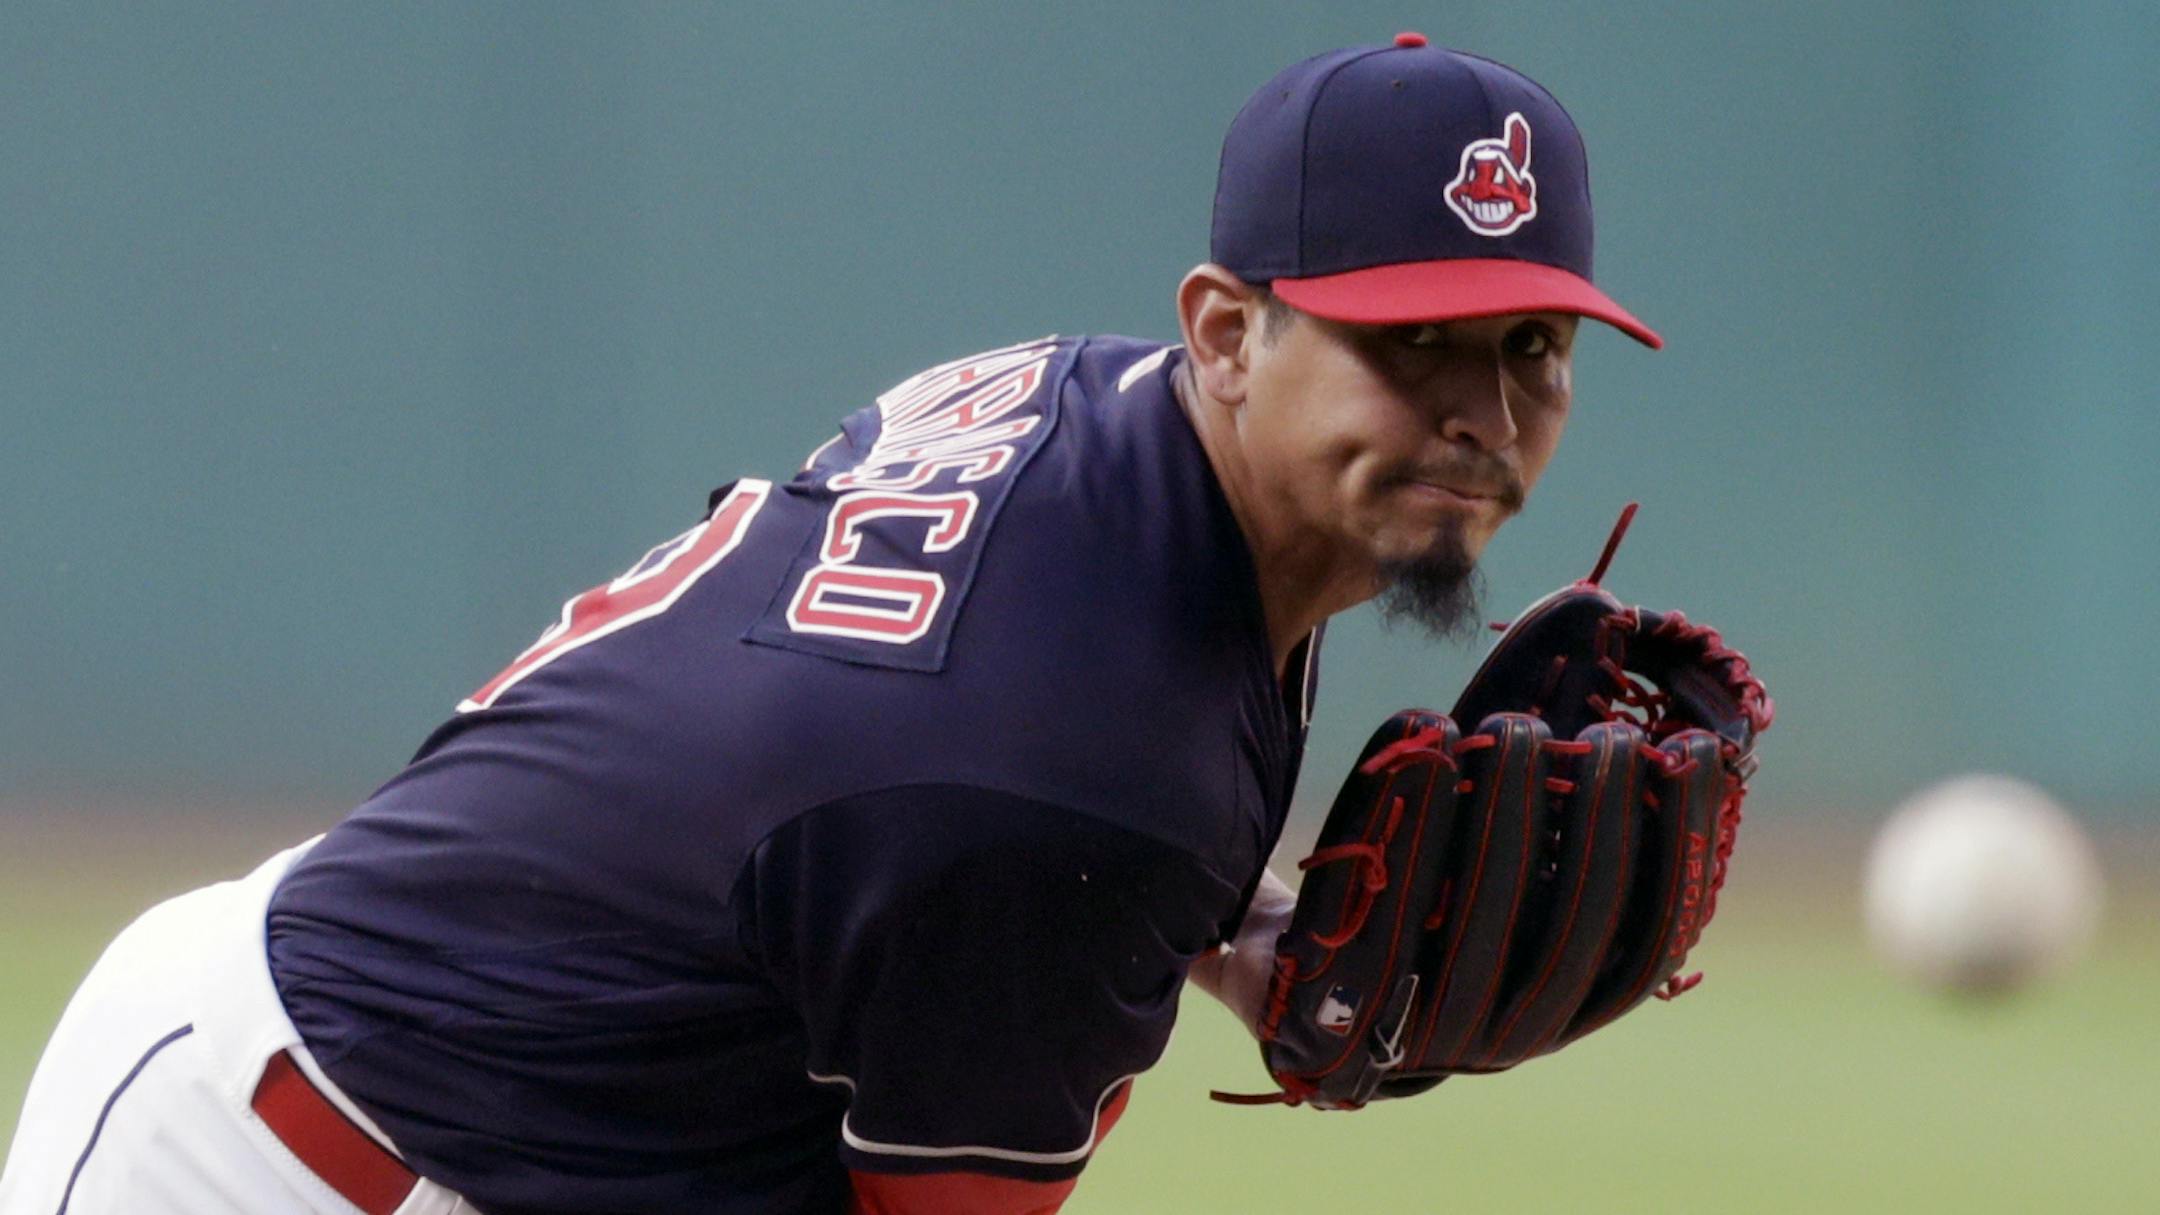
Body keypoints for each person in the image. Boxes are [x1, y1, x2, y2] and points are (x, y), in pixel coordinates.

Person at [0, 33, 1661, 1215]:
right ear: (1227, 332)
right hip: (288, 1163)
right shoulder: (1074, 772)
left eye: (1529, 348)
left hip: (466, 1078)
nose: (1481, 414)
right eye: (1412, 342)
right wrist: (1162, 896)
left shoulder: (1109, 422)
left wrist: (1239, 926)